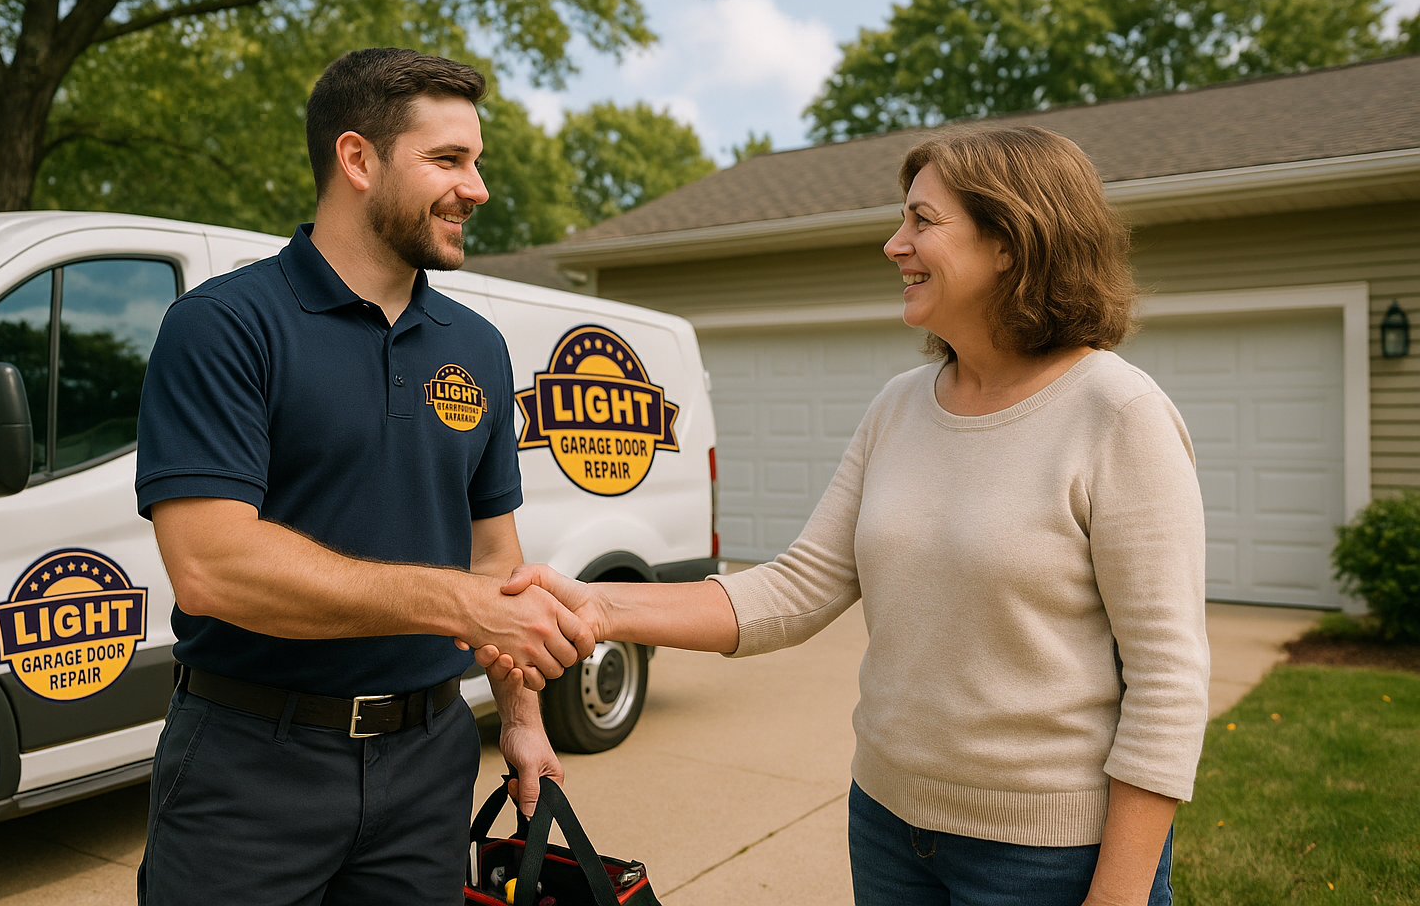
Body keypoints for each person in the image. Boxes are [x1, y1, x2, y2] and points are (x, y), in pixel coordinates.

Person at [483, 125, 1210, 906]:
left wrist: (1120, 895)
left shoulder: (1117, 413)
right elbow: (796, 589)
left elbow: (1168, 682)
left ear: (1010, 241)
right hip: (889, 826)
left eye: (922, 221)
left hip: (1046, 856)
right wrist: (598, 605)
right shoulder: (899, 406)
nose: (895, 245)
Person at [134, 48, 593, 906]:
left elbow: (495, 557)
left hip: (428, 762)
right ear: (357, 160)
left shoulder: (477, 347)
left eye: (476, 161)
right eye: (449, 160)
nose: (479, 187)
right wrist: (447, 601)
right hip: (250, 764)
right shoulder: (224, 327)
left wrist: (522, 722)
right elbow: (210, 567)